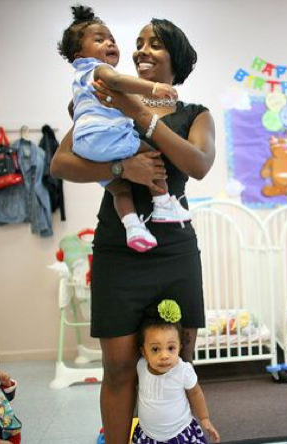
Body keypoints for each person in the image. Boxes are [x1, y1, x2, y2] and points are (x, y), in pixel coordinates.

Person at [50, 16, 216, 444]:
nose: (141, 50)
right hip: (119, 250)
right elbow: (60, 163)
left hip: (175, 251)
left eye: (154, 44)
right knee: (120, 369)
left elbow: (197, 165)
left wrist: (138, 112)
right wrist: (124, 168)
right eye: (138, 43)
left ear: (175, 57)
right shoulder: (103, 98)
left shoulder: (195, 114)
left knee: (176, 364)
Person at [58, 5, 191, 253]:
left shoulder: (82, 82)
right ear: (80, 55)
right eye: (100, 39)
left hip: (86, 145)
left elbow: (73, 109)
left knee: (119, 188)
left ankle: (133, 226)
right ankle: (162, 203)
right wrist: (152, 88)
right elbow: (118, 80)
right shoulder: (100, 72)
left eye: (112, 39)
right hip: (106, 138)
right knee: (151, 153)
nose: (110, 43)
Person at [133, 300, 220, 443]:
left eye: (171, 348)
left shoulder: (183, 370)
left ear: (179, 347)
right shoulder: (141, 366)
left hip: (180, 433)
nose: (164, 355)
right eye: (155, 349)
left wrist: (204, 418)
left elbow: (195, 392)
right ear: (144, 352)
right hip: (148, 435)